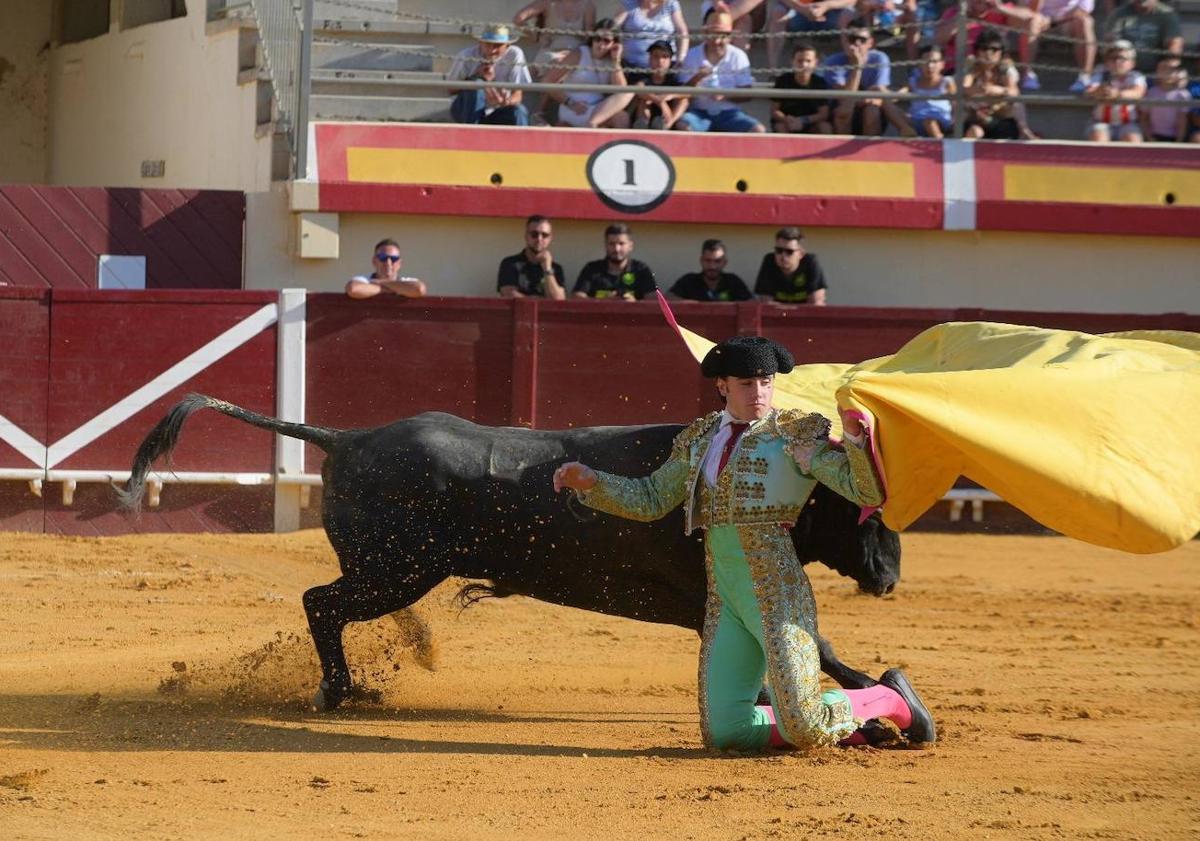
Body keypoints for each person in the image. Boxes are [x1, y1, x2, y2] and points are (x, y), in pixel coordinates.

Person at [552, 335, 936, 752]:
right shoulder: (699, 440)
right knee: (727, 732)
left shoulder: (795, 433)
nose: (758, 393)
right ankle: (832, 724)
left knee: (804, 727)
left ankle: (889, 698)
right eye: (746, 384)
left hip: (778, 596)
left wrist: (857, 444)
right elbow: (651, 500)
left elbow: (862, 491)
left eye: (765, 383)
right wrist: (592, 482)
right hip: (726, 600)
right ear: (722, 386)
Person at [677, 7, 765, 133]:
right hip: (698, 113)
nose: (717, 41)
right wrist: (697, 78)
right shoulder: (692, 55)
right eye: (713, 35)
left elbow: (747, 94)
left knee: (758, 130)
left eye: (722, 36)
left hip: (730, 114)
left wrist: (725, 95)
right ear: (705, 34)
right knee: (683, 126)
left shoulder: (738, 56)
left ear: (730, 36)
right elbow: (680, 93)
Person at [822, 20, 914, 137]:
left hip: (870, 109)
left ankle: (903, 130)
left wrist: (870, 99)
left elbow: (878, 92)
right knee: (844, 111)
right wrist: (857, 67)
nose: (857, 44)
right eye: (852, 39)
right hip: (844, 112)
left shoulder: (879, 58)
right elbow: (845, 98)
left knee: (872, 109)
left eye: (862, 40)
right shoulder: (833, 62)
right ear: (844, 40)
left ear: (870, 43)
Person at [542, 19, 635, 128]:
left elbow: (620, 91)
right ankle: (592, 124)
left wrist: (616, 61)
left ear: (614, 43)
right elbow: (547, 81)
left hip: (597, 109)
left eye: (606, 41)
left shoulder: (611, 61)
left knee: (623, 113)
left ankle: (592, 123)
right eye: (597, 39)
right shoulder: (579, 54)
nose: (600, 44)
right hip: (575, 108)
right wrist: (570, 103)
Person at [446, 24, 531, 126]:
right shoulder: (466, 55)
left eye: (497, 46)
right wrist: (477, 77)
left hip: (497, 110)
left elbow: (518, 94)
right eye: (488, 44)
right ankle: (472, 133)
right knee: (477, 85)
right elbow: (451, 89)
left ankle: (520, 141)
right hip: (464, 109)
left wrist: (506, 102)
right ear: (480, 43)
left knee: (519, 111)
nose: (492, 50)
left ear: (507, 46)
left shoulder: (514, 54)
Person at [962, 29, 1031, 140]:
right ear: (978, 51)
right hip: (975, 117)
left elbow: (1013, 91)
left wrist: (997, 90)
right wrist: (979, 89)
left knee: (1017, 102)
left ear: (1001, 52)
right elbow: (962, 88)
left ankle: (1024, 130)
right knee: (974, 132)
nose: (988, 54)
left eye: (994, 49)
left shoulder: (1005, 67)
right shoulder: (972, 66)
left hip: (1000, 115)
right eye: (984, 49)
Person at [1022, 0, 1096, 92]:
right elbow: (1028, 10)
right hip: (1041, 21)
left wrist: (1055, 21)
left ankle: (1085, 77)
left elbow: (1084, 10)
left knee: (1085, 21)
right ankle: (1027, 75)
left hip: (1068, 21)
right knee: (1032, 21)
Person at [1083, 39, 1147, 143]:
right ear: (1107, 62)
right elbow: (1089, 91)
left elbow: (1138, 93)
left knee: (1133, 140)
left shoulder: (1136, 76)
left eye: (1122, 58)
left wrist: (1117, 94)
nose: (1117, 62)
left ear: (1132, 63)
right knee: (1099, 137)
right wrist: (1100, 92)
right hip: (1101, 122)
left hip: (1128, 123)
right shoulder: (1100, 74)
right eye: (1113, 58)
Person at [573, 223, 657, 300]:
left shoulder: (641, 270)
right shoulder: (592, 269)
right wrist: (604, 302)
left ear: (630, 246)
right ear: (605, 245)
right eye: (612, 244)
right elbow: (577, 297)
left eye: (621, 243)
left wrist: (634, 303)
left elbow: (653, 301)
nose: (617, 249)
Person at [512, 0, 597, 73]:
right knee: (554, 63)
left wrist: (575, 54)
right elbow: (518, 19)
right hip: (551, 52)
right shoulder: (547, 2)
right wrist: (537, 36)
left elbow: (589, 37)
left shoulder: (588, 5)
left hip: (576, 54)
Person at [1104, 0, 1183, 76]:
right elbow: (1111, 43)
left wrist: (1169, 65)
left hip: (1155, 72)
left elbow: (1175, 42)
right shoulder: (1119, 14)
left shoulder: (1167, 14)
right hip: (1124, 71)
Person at [497, 215, 567, 299]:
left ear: (550, 239)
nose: (539, 239)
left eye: (544, 235)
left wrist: (547, 269)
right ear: (526, 236)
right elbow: (509, 294)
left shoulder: (556, 268)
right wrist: (543, 301)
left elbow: (558, 300)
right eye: (534, 234)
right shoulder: (510, 263)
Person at [754, 227, 828, 305]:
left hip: (805, 316)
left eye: (789, 252)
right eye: (779, 250)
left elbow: (816, 304)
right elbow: (766, 304)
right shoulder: (769, 261)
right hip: (777, 316)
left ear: (801, 254)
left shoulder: (811, 262)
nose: (783, 256)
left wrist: (789, 310)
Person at [771, 42, 833, 134]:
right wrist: (787, 119)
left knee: (825, 127)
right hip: (787, 122)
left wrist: (803, 120)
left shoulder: (820, 83)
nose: (804, 65)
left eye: (808, 61)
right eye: (800, 61)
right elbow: (774, 110)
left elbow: (824, 114)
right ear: (792, 61)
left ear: (815, 63)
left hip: (811, 123)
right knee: (780, 127)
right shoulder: (783, 80)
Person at [613, 0, 690, 70]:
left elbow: (683, 32)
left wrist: (681, 58)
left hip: (664, 69)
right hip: (633, 67)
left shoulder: (671, 4)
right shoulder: (629, 3)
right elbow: (612, 28)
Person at [669, 239, 754, 302]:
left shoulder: (733, 282)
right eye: (708, 260)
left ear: (725, 262)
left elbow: (750, 303)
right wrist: (690, 304)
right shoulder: (688, 281)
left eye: (717, 261)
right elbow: (668, 299)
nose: (712, 266)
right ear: (701, 260)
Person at [630, 39, 689, 129]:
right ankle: (642, 125)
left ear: (670, 61)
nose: (660, 61)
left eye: (664, 57)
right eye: (656, 56)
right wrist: (660, 102)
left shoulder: (673, 78)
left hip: (665, 118)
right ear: (650, 59)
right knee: (644, 100)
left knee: (683, 100)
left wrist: (671, 95)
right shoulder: (643, 76)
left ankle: (667, 125)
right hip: (647, 115)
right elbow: (639, 88)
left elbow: (688, 92)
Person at [345, 239, 427, 299]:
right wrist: (392, 289)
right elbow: (353, 289)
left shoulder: (405, 280)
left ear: (400, 263)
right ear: (374, 261)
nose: (388, 263)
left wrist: (380, 282)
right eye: (383, 258)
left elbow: (419, 289)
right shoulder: (364, 280)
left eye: (394, 259)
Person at [906, 44, 956, 138]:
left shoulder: (947, 82)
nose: (930, 66)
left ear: (942, 64)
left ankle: (939, 143)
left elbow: (956, 104)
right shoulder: (913, 82)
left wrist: (953, 122)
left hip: (941, 120)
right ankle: (905, 129)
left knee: (929, 122)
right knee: (887, 103)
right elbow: (899, 94)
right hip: (916, 120)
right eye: (926, 61)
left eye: (934, 62)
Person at [1141, 57, 1191, 142]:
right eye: (1164, 68)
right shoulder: (1151, 93)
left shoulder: (1183, 95)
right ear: (1157, 71)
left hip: (1174, 138)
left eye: (1172, 69)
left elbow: (1182, 120)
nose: (1168, 72)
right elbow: (1144, 118)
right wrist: (1149, 137)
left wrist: (1179, 141)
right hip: (1153, 137)